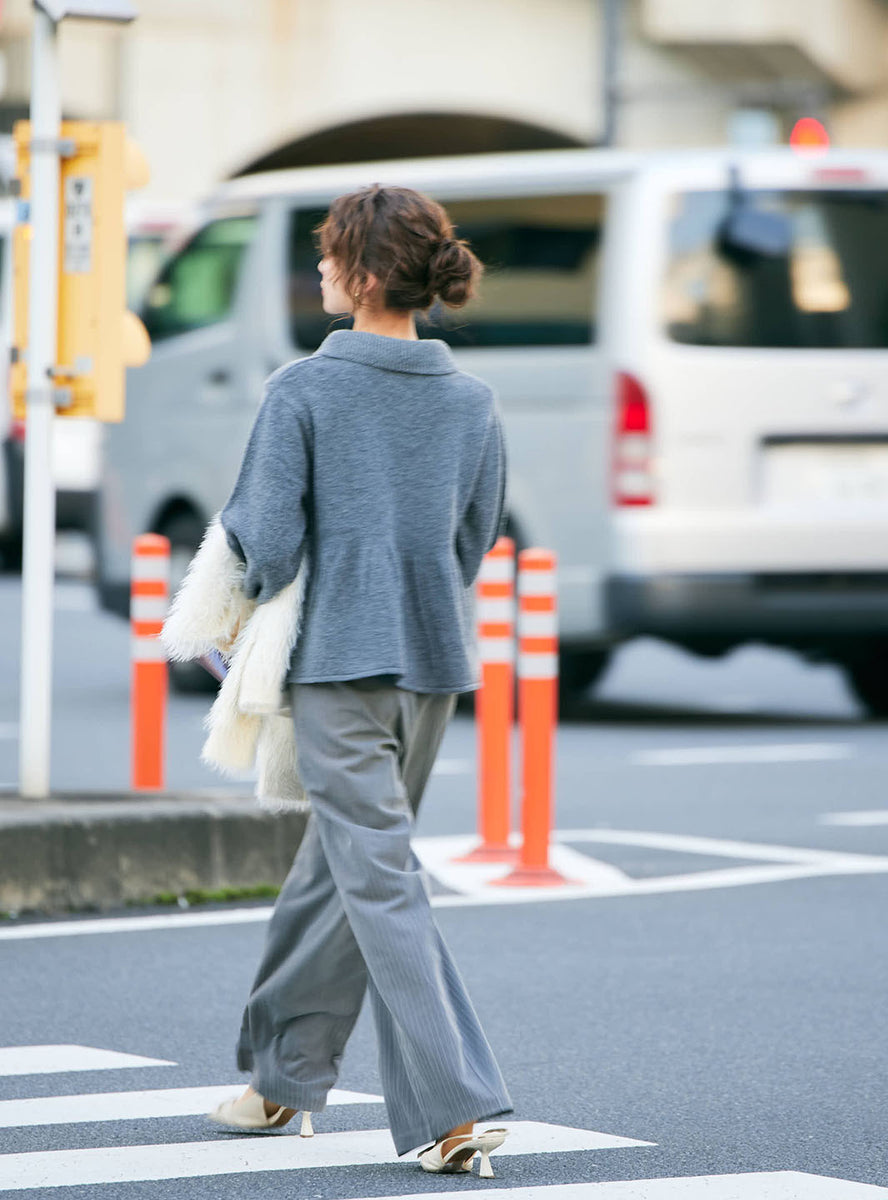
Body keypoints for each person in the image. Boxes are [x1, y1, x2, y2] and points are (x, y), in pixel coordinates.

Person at [207, 183, 513, 1177]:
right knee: (341, 870)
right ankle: (281, 1085)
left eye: (332, 255)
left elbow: (266, 537)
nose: (323, 271)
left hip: (335, 665)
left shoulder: (304, 389)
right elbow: (470, 543)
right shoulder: (471, 402)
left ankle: (454, 1106)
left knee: (374, 877)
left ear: (367, 272)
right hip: (429, 668)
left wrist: (241, 610)